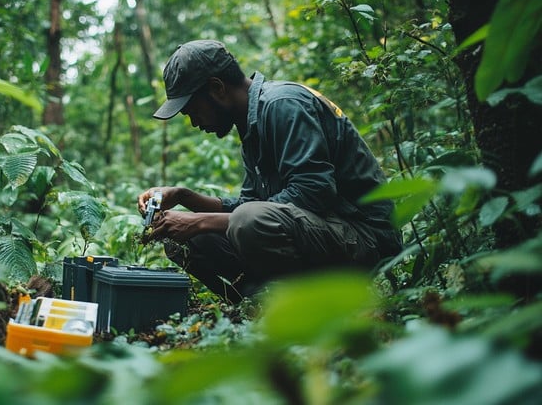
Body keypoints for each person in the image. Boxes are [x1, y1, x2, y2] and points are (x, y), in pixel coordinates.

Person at [137, 40, 402, 303]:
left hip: (366, 239)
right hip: (323, 233)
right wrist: (185, 198)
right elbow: (252, 204)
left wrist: (202, 220)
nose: (194, 122)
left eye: (192, 110)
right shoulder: (251, 124)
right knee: (192, 238)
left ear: (217, 88)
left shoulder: (282, 104)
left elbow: (314, 193)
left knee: (244, 221)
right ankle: (261, 308)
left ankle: (308, 310)